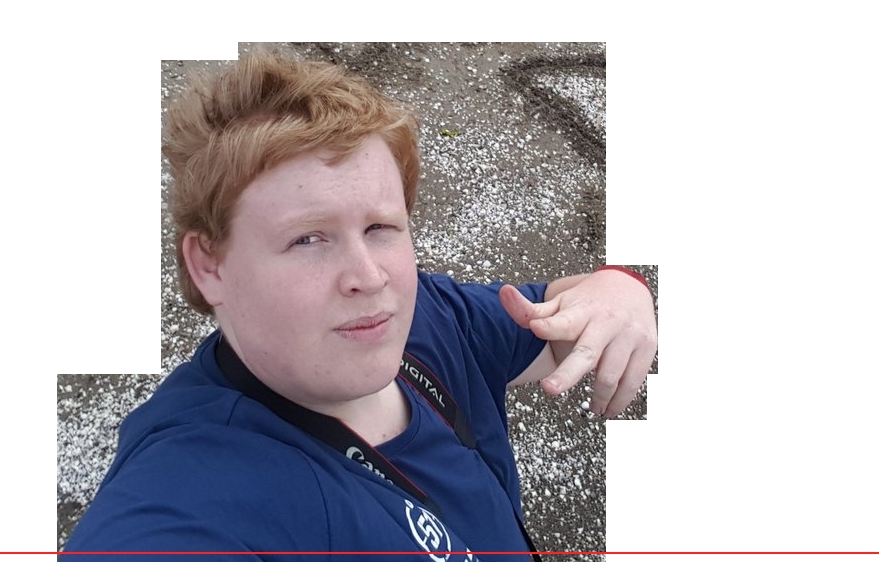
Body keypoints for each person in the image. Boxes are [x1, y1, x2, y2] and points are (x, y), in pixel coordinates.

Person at [63, 51, 656, 559]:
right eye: (307, 239)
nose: (369, 278)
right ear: (209, 265)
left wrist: (622, 288)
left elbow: (557, 320)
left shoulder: (430, 319)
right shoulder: (195, 488)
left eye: (380, 227)